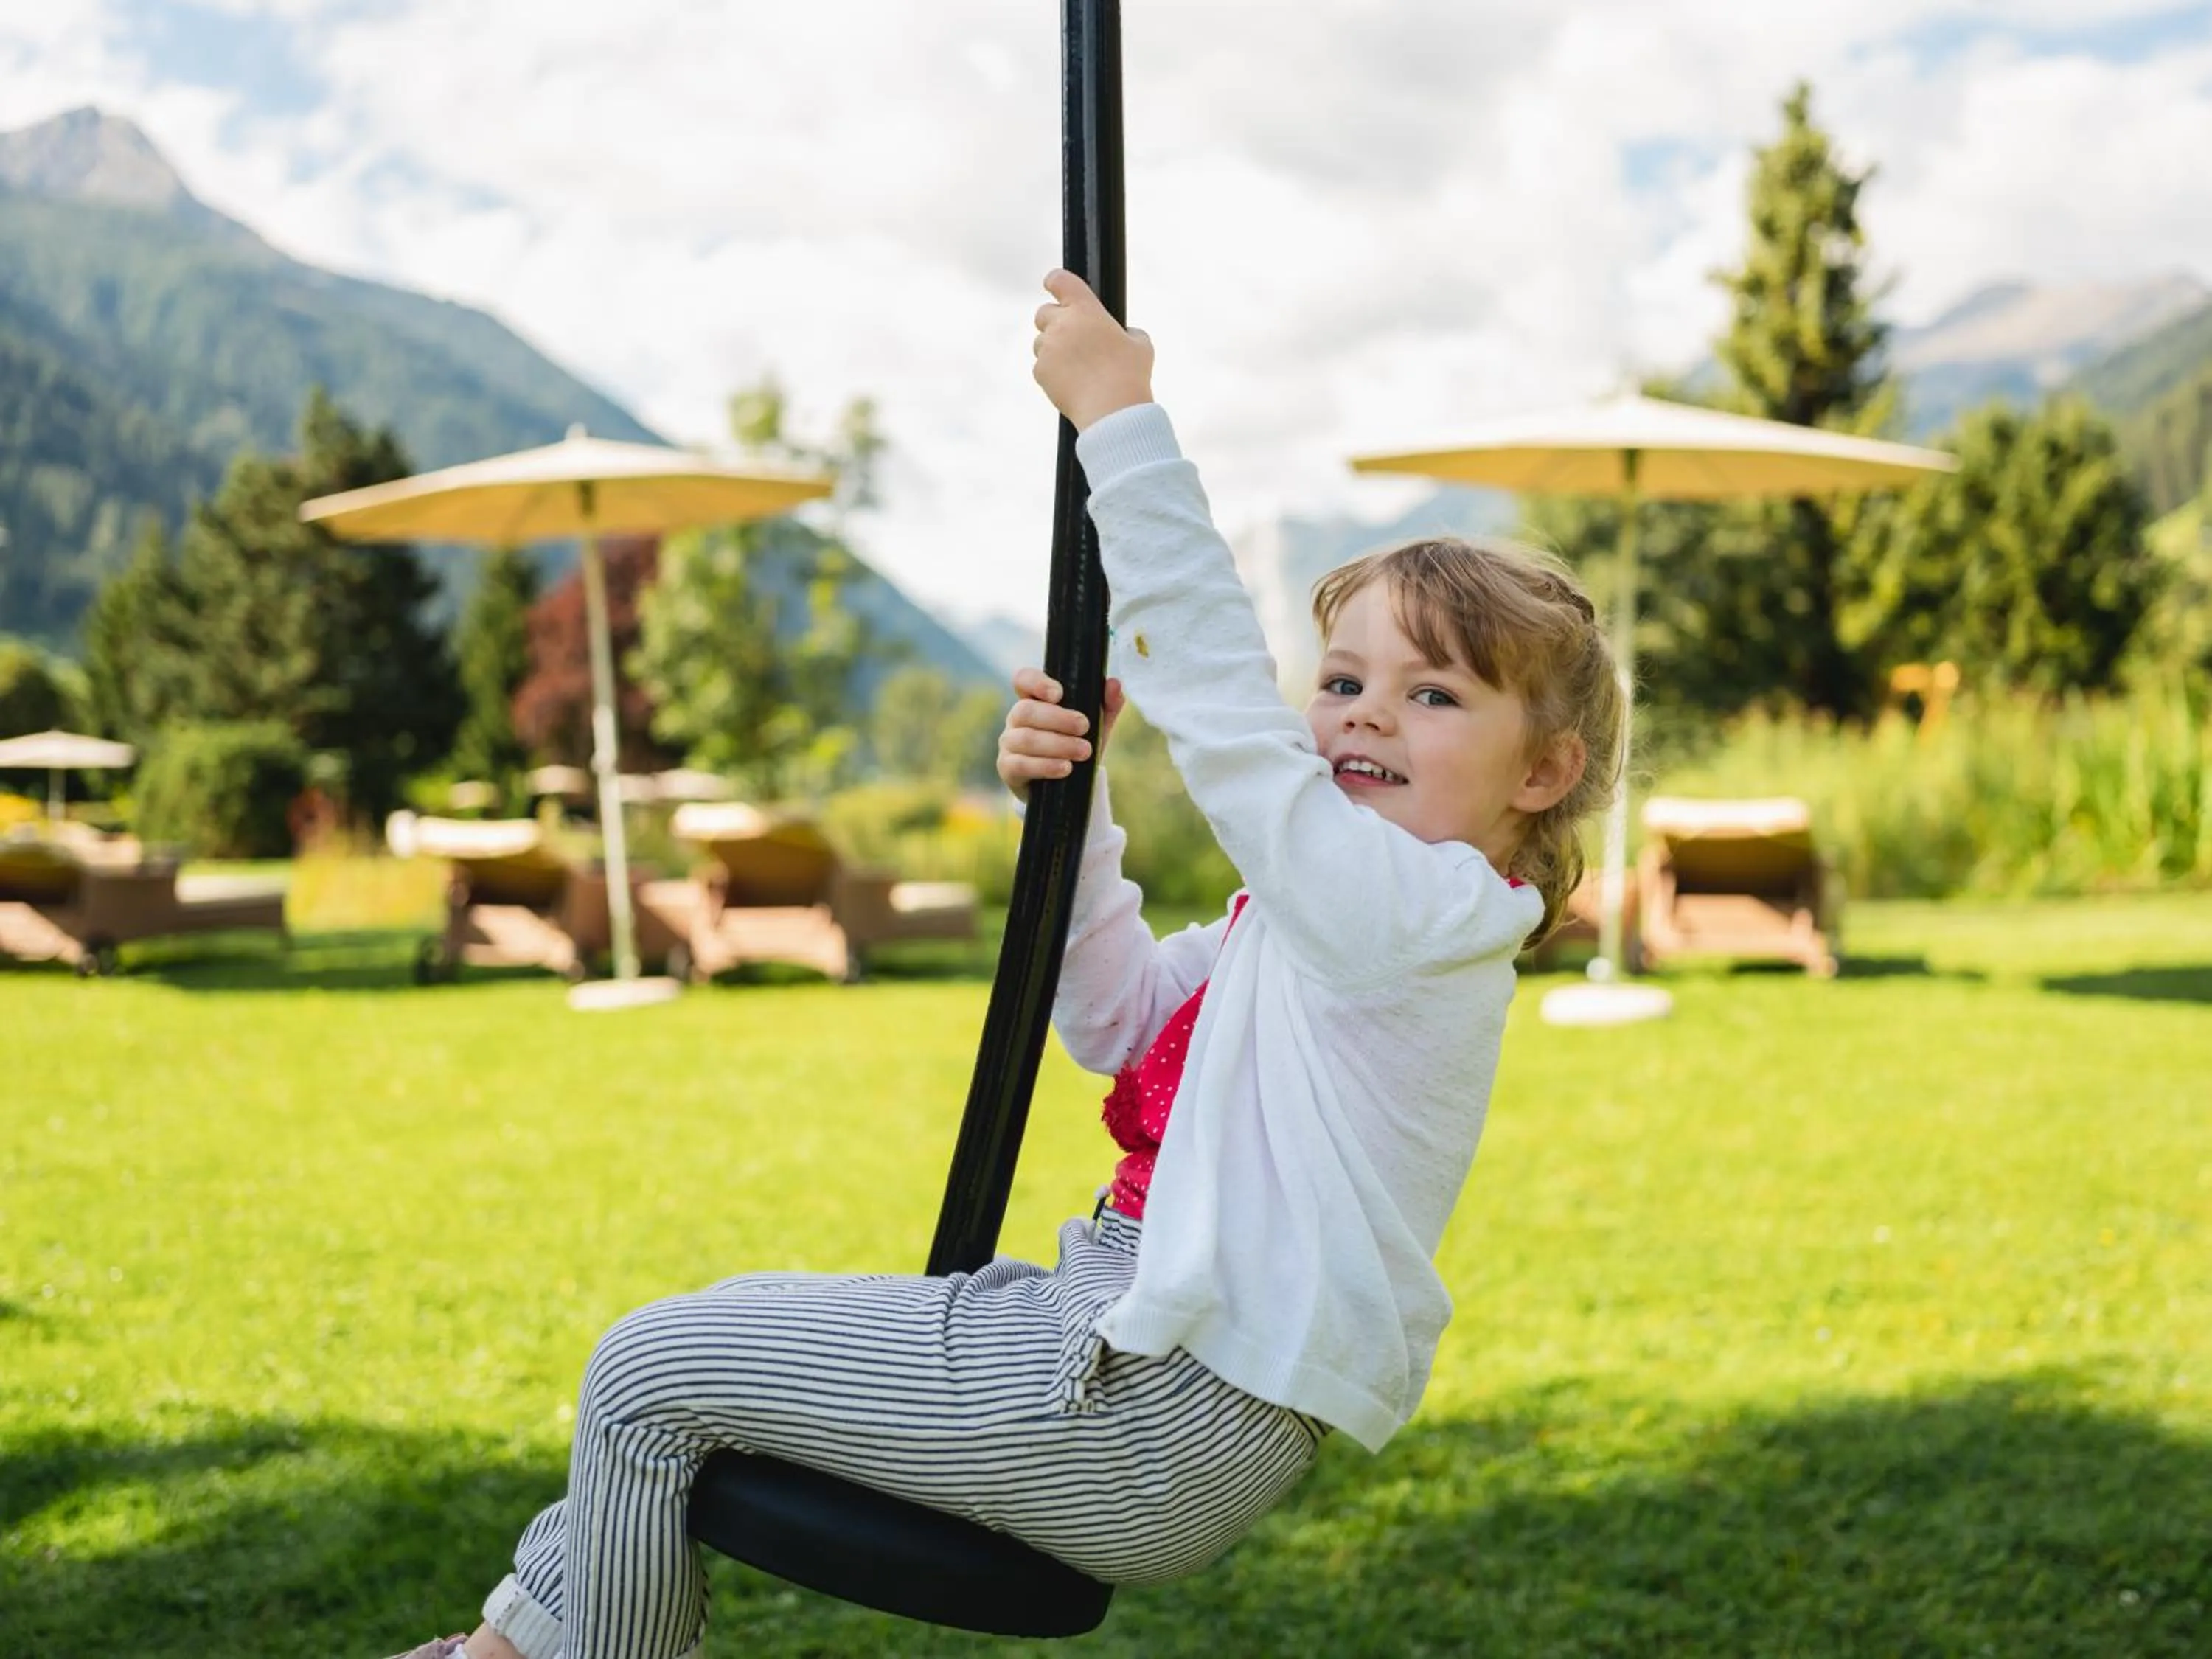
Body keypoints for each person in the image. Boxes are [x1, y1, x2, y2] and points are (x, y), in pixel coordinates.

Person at [385, 272, 1623, 1659]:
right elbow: (1109, 1013)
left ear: (1547, 769)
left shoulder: (1420, 917)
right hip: (1113, 1352)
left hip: (1150, 1402)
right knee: (680, 1374)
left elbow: (1223, 712)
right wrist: (1075, 806)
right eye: (1340, 681)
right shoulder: (1323, 925)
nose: (1362, 717)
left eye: (1433, 692)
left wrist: (1122, 421)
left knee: (646, 1365)